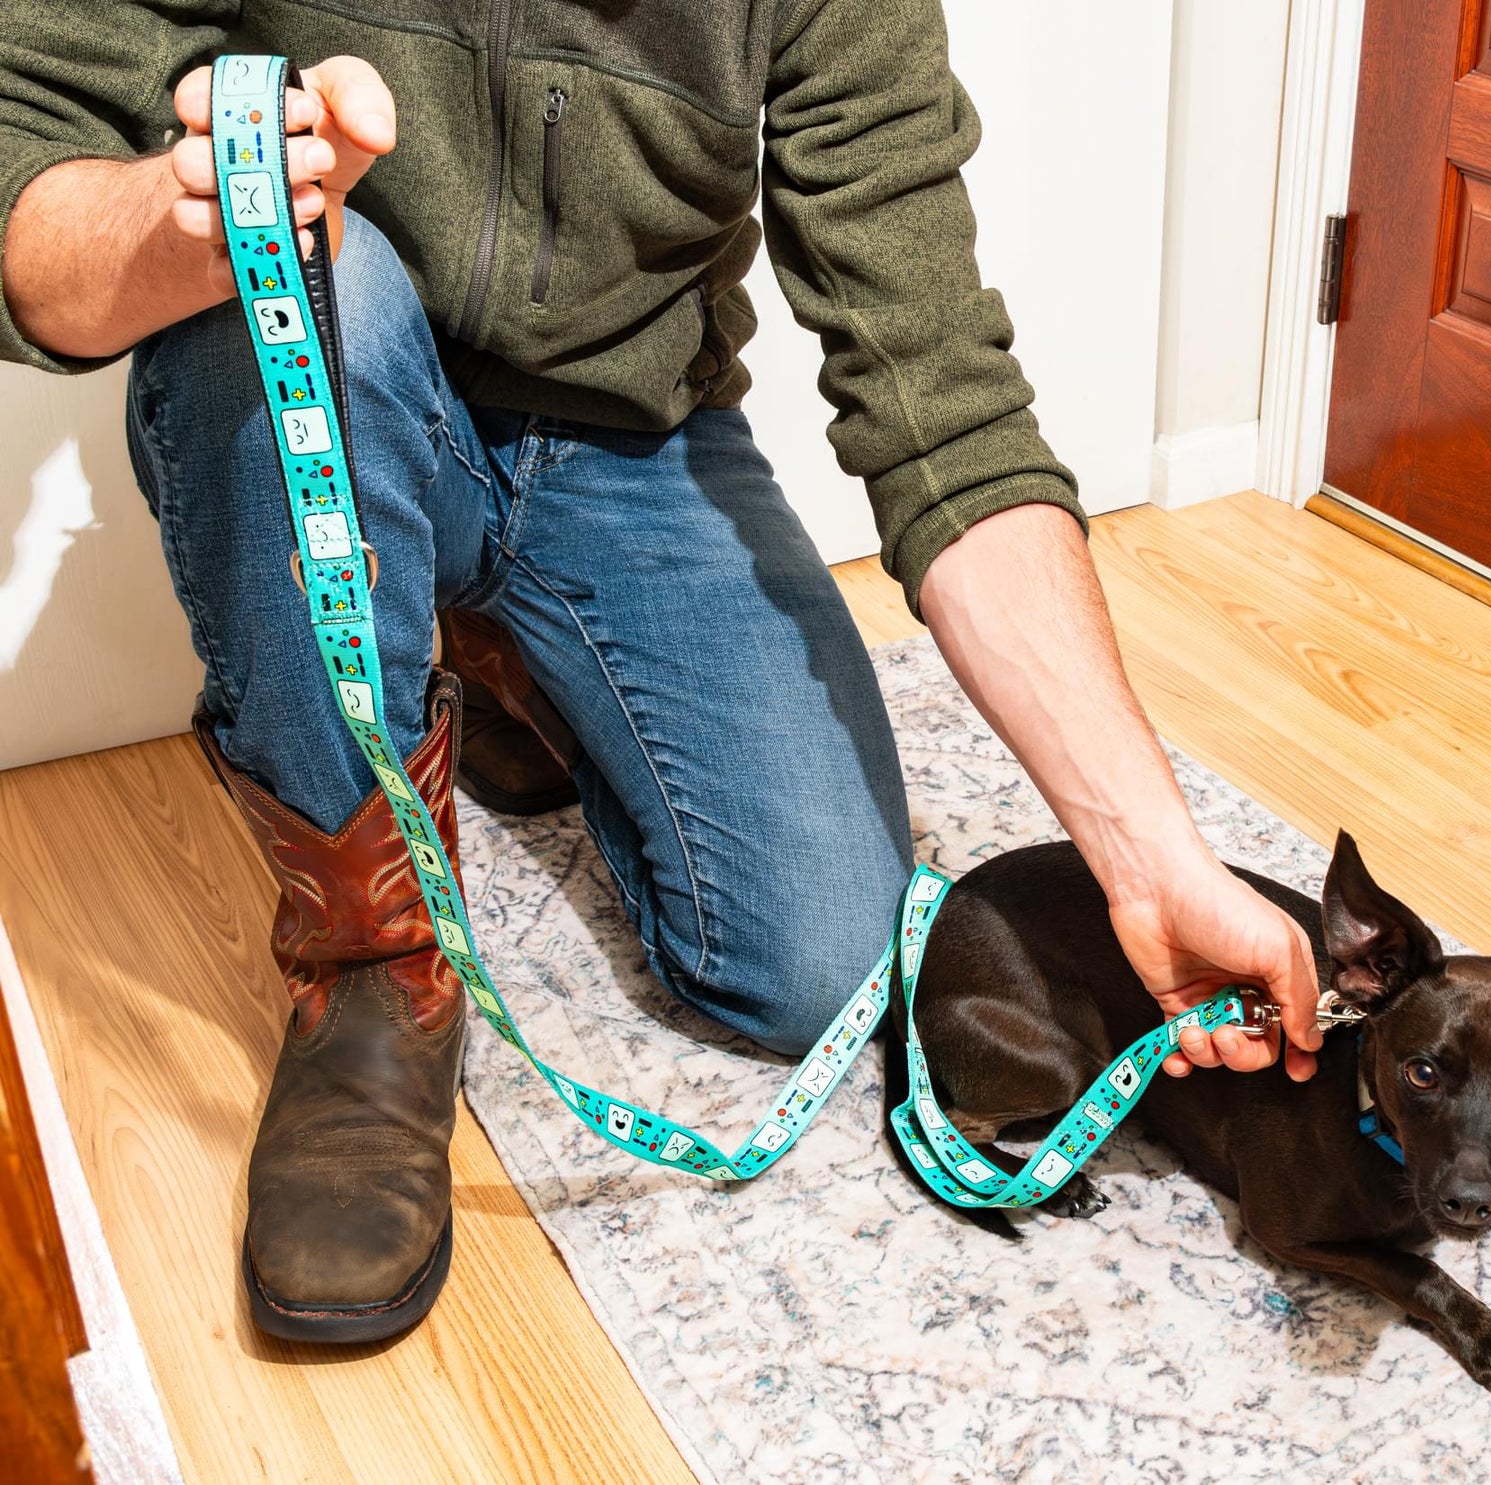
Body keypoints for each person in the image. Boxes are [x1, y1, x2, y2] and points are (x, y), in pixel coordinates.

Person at [0, 1, 1321, 1342]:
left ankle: (511, 658)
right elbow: (26, 159)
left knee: (822, 961)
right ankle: (369, 968)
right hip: (335, 357)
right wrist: (170, 231)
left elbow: (946, 408)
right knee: (270, 304)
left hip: (627, 448)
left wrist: (1154, 858)